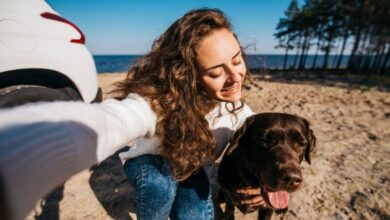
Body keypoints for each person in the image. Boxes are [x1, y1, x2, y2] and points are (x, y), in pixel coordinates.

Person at [0, 8, 266, 220]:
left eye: (236, 60)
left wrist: (268, 189)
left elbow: (269, 146)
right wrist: (27, 144)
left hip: (188, 167)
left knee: (194, 214)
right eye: (216, 72)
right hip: (148, 160)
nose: (234, 78)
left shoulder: (240, 113)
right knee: (160, 186)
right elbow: (115, 120)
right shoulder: (161, 103)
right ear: (188, 75)